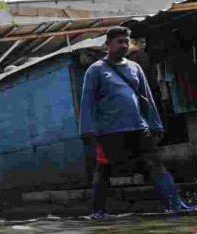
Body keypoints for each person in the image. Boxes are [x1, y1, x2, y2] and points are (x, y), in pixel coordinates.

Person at [80, 26, 189, 217]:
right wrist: (87, 130)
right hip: (109, 130)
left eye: (126, 41)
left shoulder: (134, 67)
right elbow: (87, 101)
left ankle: (175, 205)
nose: (124, 45)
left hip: (139, 127)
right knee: (105, 169)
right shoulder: (95, 70)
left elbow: (146, 96)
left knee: (156, 164)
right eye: (119, 41)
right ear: (108, 44)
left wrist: (155, 123)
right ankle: (98, 211)